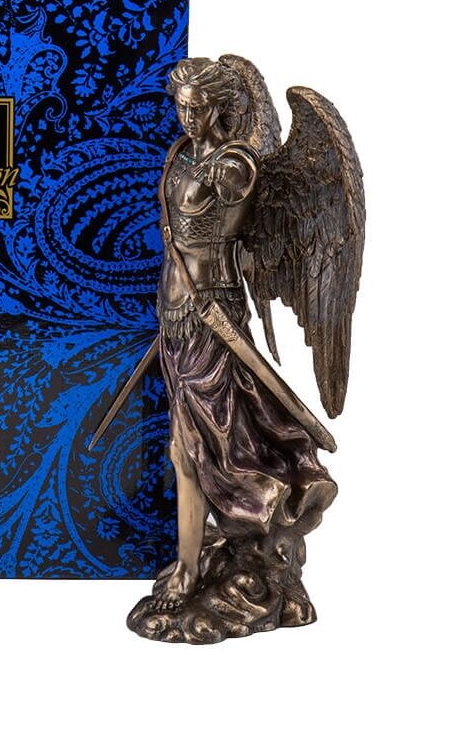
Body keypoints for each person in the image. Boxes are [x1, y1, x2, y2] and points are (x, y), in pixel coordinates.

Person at [130, 57, 338, 642]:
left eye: (198, 107)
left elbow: (232, 232)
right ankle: (192, 562)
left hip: (212, 313)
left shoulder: (235, 167)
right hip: (173, 311)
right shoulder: (179, 154)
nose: (187, 118)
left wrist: (202, 305)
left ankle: (203, 560)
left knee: (207, 443)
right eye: (181, 107)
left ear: (220, 106)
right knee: (184, 445)